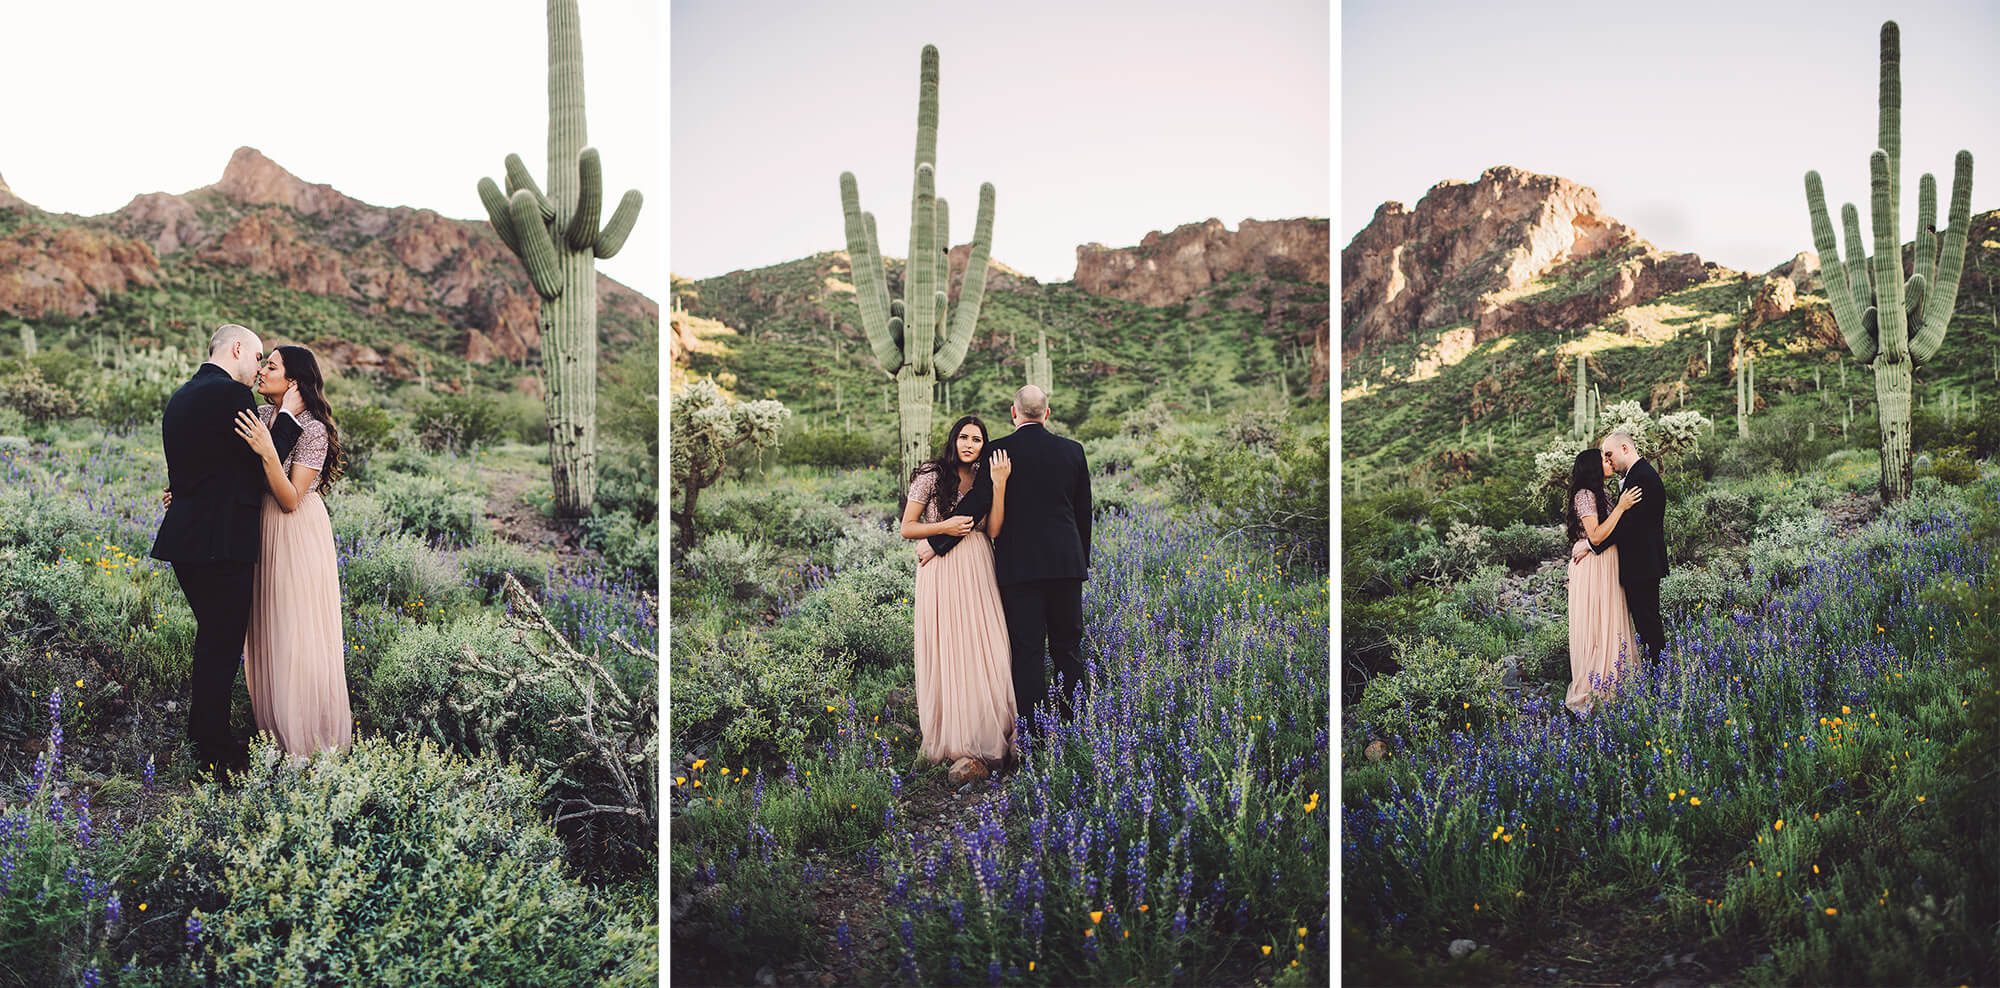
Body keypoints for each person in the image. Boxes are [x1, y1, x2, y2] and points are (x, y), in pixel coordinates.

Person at [150, 325, 301, 773]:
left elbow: (199, 467)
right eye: (257, 358)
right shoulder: (231, 397)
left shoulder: (180, 396)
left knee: (213, 638)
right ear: (237, 349)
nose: (257, 370)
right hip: (222, 541)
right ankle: (212, 747)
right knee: (222, 641)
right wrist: (289, 419)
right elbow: (260, 470)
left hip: (184, 538)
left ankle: (206, 735)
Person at [231, 344, 353, 756]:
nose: (262, 369)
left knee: (294, 630)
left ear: (294, 381)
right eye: (263, 362)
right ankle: (273, 730)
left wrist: (268, 449)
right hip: (261, 530)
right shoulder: (263, 415)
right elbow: (237, 474)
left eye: (272, 365)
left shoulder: (312, 428)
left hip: (295, 531)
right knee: (266, 625)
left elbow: (289, 497)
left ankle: (306, 742)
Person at [959, 385, 1092, 724]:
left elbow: (977, 505)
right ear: (1046, 414)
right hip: (1066, 566)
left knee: (1027, 653)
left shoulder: (998, 451)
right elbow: (1083, 514)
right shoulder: (1073, 451)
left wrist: (936, 541)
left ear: (1013, 412)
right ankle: (1075, 724)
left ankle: (1034, 736)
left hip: (1018, 569)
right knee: (1068, 649)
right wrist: (1081, 561)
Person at [900, 416, 1017, 780]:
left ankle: (989, 732)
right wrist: (944, 527)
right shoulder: (933, 475)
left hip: (980, 564)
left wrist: (998, 485)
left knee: (988, 648)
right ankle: (954, 738)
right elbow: (907, 528)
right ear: (954, 440)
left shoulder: (984, 477)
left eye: (977, 439)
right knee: (951, 647)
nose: (969, 444)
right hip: (943, 570)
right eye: (964, 437)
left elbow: (993, 528)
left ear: (984, 445)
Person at [1564, 447, 1643, 715]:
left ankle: (1615, 684)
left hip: (1606, 564)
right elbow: (1596, 535)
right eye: (1603, 460)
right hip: (1593, 569)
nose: (1608, 462)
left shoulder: (1602, 493)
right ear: (1592, 468)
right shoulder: (1584, 495)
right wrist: (1620, 508)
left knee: (1611, 620)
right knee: (1597, 625)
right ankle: (1596, 688)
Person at [1585, 431, 1670, 664]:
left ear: (1625, 448)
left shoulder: (1641, 478)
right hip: (1642, 563)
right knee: (1646, 621)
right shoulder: (1638, 474)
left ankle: (1659, 673)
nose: (1608, 460)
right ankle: (1657, 671)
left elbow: (1628, 526)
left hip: (1641, 564)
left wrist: (1593, 546)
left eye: (1610, 454)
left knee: (1648, 621)